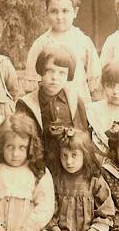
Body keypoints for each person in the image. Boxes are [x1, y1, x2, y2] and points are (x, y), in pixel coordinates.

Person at [16, 44, 89, 178]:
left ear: (68, 75)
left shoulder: (73, 100)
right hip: (39, 167)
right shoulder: (27, 103)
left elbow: (83, 133)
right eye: (50, 71)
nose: (55, 77)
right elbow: (21, 139)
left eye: (62, 73)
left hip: (69, 165)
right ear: (40, 71)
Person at [24, 0, 101, 101]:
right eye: (54, 11)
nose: (59, 17)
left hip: (78, 100)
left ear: (75, 12)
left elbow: (94, 76)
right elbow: (32, 80)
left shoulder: (83, 41)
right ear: (47, 12)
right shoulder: (41, 44)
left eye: (65, 11)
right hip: (49, 103)